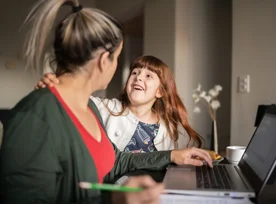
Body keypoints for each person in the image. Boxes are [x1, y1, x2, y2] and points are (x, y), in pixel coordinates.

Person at [0, 0, 212, 204]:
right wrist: (113, 200)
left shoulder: (89, 108)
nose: (136, 77)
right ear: (103, 61)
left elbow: (116, 160)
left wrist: (172, 155)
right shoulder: (34, 118)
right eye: (117, 57)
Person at [36, 55, 203, 153]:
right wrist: (56, 85)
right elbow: (76, 98)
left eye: (148, 76)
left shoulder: (167, 128)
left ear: (160, 92)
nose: (138, 77)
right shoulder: (107, 108)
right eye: (135, 73)